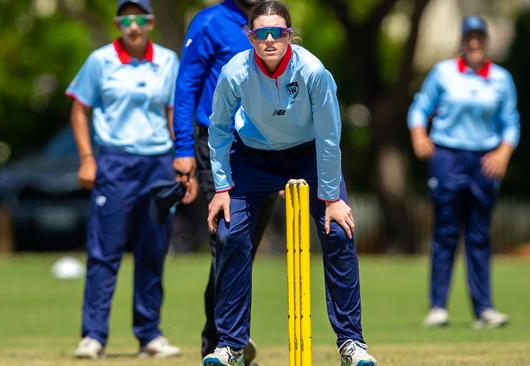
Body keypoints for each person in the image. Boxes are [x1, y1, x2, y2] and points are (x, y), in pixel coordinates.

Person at [204, 2, 377, 366]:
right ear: (248, 36)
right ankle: (232, 345)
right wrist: (222, 190)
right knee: (229, 236)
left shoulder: (312, 71)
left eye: (277, 33)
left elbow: (329, 135)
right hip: (251, 156)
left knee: (339, 234)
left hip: (308, 153)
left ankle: (351, 343)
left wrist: (331, 198)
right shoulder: (235, 72)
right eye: (260, 33)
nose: (269, 40)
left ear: (289, 36)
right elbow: (218, 129)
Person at [65, 0, 196, 359]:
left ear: (151, 23)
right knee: (104, 252)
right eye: (126, 20)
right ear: (117, 24)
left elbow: (174, 111)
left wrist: (183, 161)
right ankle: (93, 336)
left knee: (153, 250)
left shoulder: (167, 60)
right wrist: (87, 158)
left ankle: (149, 335)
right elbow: (79, 107)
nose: (133, 26)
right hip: (114, 163)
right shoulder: (101, 60)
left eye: (140, 19)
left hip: (158, 163)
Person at [172, 1, 276, 363]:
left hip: (267, 149)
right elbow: (186, 87)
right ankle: (223, 343)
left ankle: (224, 339)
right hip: (219, 147)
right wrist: (183, 147)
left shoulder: (272, 21)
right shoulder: (210, 22)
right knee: (228, 243)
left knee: (242, 252)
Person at [408, 15, 519, 329]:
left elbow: (510, 121)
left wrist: (503, 151)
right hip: (447, 156)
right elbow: (420, 107)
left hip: (485, 159)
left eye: (479, 37)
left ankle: (484, 309)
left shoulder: (500, 78)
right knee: (445, 231)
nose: (474, 43)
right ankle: (438, 307)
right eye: (469, 37)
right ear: (462, 41)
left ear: (486, 41)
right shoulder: (443, 73)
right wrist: (419, 134)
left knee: (480, 235)